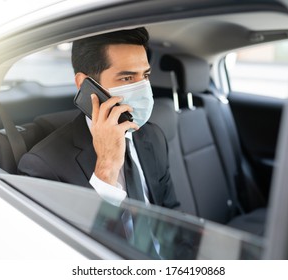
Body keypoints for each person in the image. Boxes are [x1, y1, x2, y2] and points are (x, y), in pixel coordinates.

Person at [18, 27, 179, 209]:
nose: (143, 89)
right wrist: (106, 170)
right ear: (84, 85)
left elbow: (172, 214)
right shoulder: (44, 166)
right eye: (126, 78)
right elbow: (72, 235)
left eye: (145, 75)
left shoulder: (153, 136)